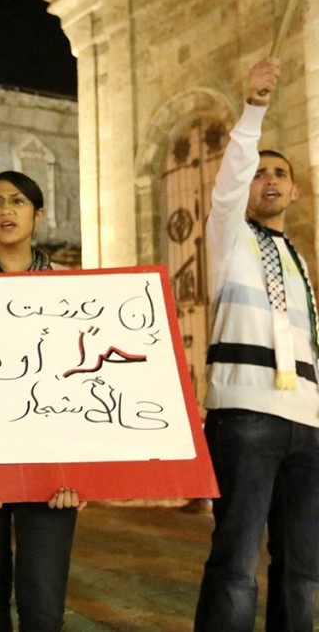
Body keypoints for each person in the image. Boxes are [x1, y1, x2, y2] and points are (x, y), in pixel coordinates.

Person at [194, 58, 319, 630]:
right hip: (246, 416)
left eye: (279, 174)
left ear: (293, 191)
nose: (268, 179)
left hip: (308, 425)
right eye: (259, 172)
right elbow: (228, 185)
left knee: (302, 566)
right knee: (237, 562)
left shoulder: (300, 263)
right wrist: (255, 109)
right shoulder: (229, 239)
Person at [0, 172, 82, 630]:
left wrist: (81, 473)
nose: (7, 211)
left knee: (43, 606)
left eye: (18, 201)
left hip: (52, 471)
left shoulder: (75, 290)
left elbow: (86, 384)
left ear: (38, 214)